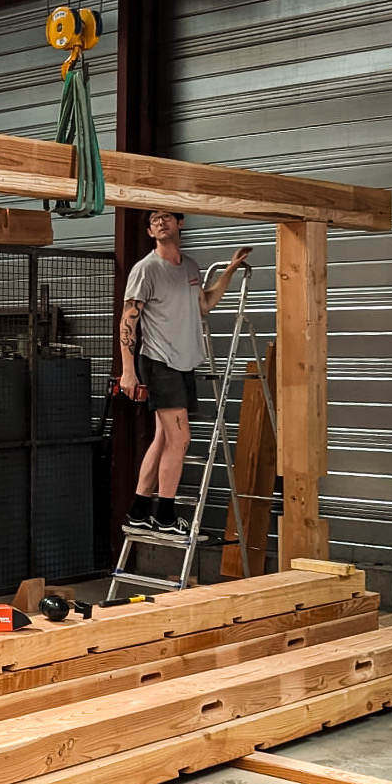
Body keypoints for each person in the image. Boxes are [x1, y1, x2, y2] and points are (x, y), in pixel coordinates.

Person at [117, 210, 251, 538]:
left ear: (180, 223)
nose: (160, 222)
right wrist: (128, 371)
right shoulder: (146, 269)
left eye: (166, 217)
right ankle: (164, 517)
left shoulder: (190, 267)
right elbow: (128, 319)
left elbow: (203, 305)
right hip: (159, 362)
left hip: (184, 362)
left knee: (164, 438)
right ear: (150, 232)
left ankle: (138, 512)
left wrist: (230, 270)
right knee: (181, 439)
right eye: (154, 220)